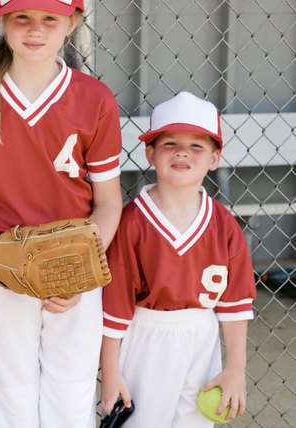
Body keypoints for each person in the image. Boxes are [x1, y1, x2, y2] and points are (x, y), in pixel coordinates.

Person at [0, 0, 123, 425]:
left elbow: (109, 202)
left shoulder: (94, 98)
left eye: (49, 19)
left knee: (71, 390)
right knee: (9, 390)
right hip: (1, 262)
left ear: (71, 22)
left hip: (74, 264)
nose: (35, 30)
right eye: (22, 17)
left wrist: (82, 266)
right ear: (2, 19)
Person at [100, 91, 257, 427]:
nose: (183, 151)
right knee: (142, 421)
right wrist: (110, 372)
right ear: (150, 153)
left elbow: (234, 306)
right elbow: (114, 309)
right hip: (146, 336)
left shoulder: (224, 224)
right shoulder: (131, 222)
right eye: (170, 143)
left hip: (202, 334)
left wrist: (235, 369)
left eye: (197, 145)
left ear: (215, 158)